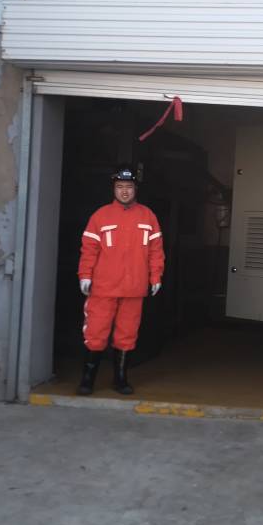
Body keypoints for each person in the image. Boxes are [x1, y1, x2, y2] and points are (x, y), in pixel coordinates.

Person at [77, 166, 165, 396]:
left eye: (128, 187)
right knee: (95, 333)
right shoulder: (100, 216)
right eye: (119, 187)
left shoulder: (148, 216)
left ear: (135, 189)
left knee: (127, 335)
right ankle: (87, 380)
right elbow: (89, 250)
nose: (124, 191)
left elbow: (156, 250)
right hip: (103, 288)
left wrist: (156, 276)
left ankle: (120, 379)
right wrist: (85, 275)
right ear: (113, 189)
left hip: (134, 288)